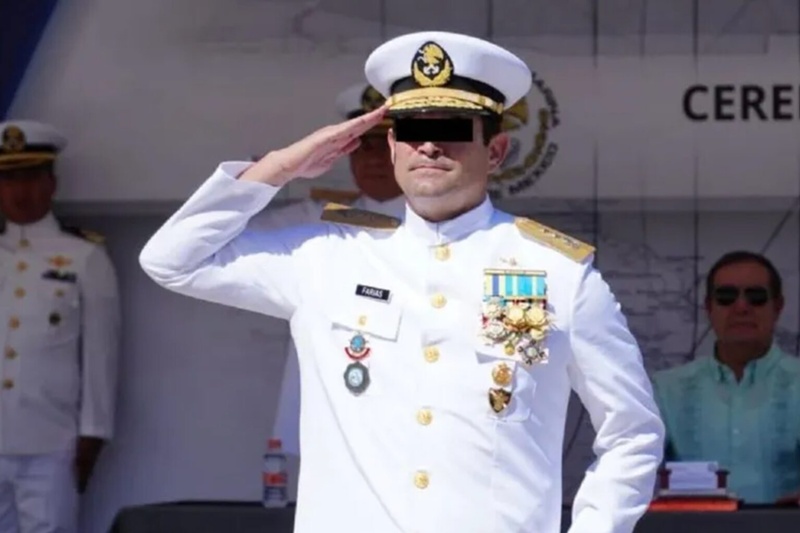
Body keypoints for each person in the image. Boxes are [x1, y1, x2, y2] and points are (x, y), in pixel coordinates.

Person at [139, 31, 664, 533]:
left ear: (496, 151)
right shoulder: (325, 255)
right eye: (412, 130)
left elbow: (632, 432)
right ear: (393, 146)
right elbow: (172, 260)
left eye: (453, 129)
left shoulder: (559, 274)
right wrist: (278, 167)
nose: (429, 146)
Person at [256, 83, 405, 458]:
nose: (372, 158)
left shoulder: (447, 225)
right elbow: (205, 242)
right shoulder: (316, 220)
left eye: (384, 144)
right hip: (333, 419)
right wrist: (274, 171)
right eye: (362, 146)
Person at [0, 120, 121, 532]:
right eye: (9, 180)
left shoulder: (83, 256)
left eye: (30, 178)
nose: (20, 192)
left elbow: (101, 354)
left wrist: (94, 435)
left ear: (51, 183)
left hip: (51, 442)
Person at [653, 251, 800, 505]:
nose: (741, 307)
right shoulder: (666, 391)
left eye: (756, 297)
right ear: (709, 308)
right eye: (726, 297)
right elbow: (628, 472)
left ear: (777, 307)